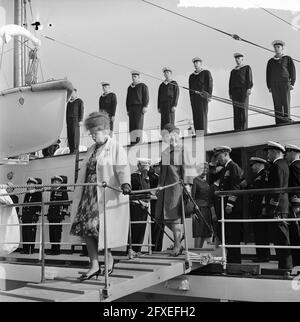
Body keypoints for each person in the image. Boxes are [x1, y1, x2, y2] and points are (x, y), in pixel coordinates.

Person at [70, 111, 131, 281]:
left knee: (99, 228)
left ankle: (109, 258)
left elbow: (122, 167)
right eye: (90, 133)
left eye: (94, 132)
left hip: (104, 195)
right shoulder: (91, 149)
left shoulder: (115, 147)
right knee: (87, 229)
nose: (92, 136)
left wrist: (126, 183)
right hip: (88, 196)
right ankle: (94, 265)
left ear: (104, 130)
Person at [155, 123, 196, 256]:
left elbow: (188, 167)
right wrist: (159, 186)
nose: (165, 138)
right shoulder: (165, 152)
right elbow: (163, 172)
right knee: (161, 217)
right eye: (163, 136)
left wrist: (188, 185)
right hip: (164, 189)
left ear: (174, 134)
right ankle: (179, 237)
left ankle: (177, 245)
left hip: (176, 189)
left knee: (174, 218)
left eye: (166, 135)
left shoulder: (183, 149)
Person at [264, 141, 292, 269]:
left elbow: (278, 188)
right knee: (282, 237)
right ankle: (284, 264)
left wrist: (272, 206)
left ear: (275, 152)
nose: (268, 155)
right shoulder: (284, 164)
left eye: (269, 152)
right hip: (282, 206)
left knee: (281, 237)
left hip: (278, 207)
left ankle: (285, 266)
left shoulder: (277, 166)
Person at [214, 146, 242, 263]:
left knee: (233, 234)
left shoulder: (233, 167)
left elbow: (235, 187)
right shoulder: (225, 169)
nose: (217, 159)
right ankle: (230, 259)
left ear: (226, 154)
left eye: (219, 156)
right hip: (224, 206)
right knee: (227, 234)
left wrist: (230, 204)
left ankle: (235, 260)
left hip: (232, 207)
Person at [266, 40, 296, 124]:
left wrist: (292, 83)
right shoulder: (271, 61)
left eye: (278, 47)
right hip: (274, 84)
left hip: (284, 83)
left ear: (282, 48)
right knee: (277, 103)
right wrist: (269, 86)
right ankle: (278, 121)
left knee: (285, 102)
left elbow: (292, 71)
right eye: (275, 47)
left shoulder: (287, 58)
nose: (276, 49)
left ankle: (287, 119)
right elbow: (268, 74)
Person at [248, 157, 270, 262]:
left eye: (252, 165)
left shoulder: (264, 174)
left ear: (258, 164)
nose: (252, 167)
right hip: (255, 208)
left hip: (260, 208)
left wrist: (264, 207)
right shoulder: (256, 176)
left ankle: (264, 256)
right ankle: (260, 255)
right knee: (258, 232)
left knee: (262, 233)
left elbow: (266, 191)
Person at [129, 158, 151, 254]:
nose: (146, 168)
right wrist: (144, 175)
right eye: (144, 166)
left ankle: (138, 250)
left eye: (147, 166)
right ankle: (131, 249)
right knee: (135, 228)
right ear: (139, 166)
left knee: (142, 228)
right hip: (136, 204)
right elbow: (139, 187)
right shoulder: (134, 176)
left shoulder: (147, 177)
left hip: (145, 205)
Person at [191, 162, 215, 248]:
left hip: (207, 209)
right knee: (199, 232)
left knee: (204, 232)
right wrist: (193, 211)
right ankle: (196, 253)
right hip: (198, 209)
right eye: (202, 168)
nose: (205, 170)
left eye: (206, 168)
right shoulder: (195, 180)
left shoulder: (206, 182)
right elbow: (192, 197)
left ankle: (200, 252)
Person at [189, 57, 213, 135]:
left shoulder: (206, 73)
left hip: (203, 97)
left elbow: (209, 85)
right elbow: (190, 90)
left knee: (202, 116)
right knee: (196, 117)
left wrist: (209, 96)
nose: (196, 64)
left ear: (201, 63)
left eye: (197, 62)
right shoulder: (191, 76)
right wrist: (191, 101)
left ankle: (204, 134)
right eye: (194, 63)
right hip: (194, 99)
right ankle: (198, 135)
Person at [285, 144, 300, 267]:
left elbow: (296, 185)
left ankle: (297, 263)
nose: (286, 155)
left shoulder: (295, 166)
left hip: (296, 206)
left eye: (287, 153)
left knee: (296, 233)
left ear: (292, 152)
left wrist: (296, 205)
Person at [229, 53, 253, 130]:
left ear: (242, 59)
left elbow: (249, 79)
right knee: (236, 111)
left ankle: (243, 129)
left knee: (243, 111)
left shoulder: (246, 68)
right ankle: (237, 129)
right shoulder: (233, 71)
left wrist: (249, 88)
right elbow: (230, 83)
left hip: (243, 91)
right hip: (235, 92)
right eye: (236, 58)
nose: (237, 60)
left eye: (238, 58)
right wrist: (230, 93)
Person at [46, 175, 69, 255]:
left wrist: (62, 214)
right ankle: (53, 249)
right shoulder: (53, 191)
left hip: (58, 216)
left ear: (60, 182)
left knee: (56, 233)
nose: (54, 183)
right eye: (53, 182)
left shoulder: (63, 190)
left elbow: (66, 203)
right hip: (51, 216)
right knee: (51, 233)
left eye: (56, 182)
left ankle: (56, 250)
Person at [126, 71, 149, 144]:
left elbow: (146, 97)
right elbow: (127, 99)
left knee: (138, 124)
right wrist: (128, 109)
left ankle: (138, 141)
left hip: (139, 107)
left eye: (135, 76)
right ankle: (132, 141)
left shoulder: (143, 86)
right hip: (131, 108)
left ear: (138, 77)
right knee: (132, 125)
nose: (133, 78)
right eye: (132, 76)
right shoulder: (130, 87)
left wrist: (145, 106)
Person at [21, 177, 42, 254]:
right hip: (25, 216)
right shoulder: (27, 193)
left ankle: (30, 249)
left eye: (30, 183)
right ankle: (25, 249)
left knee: (31, 233)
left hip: (32, 216)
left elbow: (39, 205)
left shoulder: (38, 193)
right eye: (28, 183)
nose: (28, 185)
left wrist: (36, 215)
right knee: (25, 233)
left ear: (34, 184)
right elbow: (24, 205)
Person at [66, 88, 84, 154]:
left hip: (76, 120)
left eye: (72, 93)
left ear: (75, 93)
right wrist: (67, 123)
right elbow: (67, 113)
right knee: (70, 135)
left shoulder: (79, 101)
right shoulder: (69, 103)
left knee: (75, 135)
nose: (71, 94)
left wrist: (80, 120)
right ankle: (71, 150)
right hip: (69, 122)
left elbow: (81, 111)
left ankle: (75, 150)